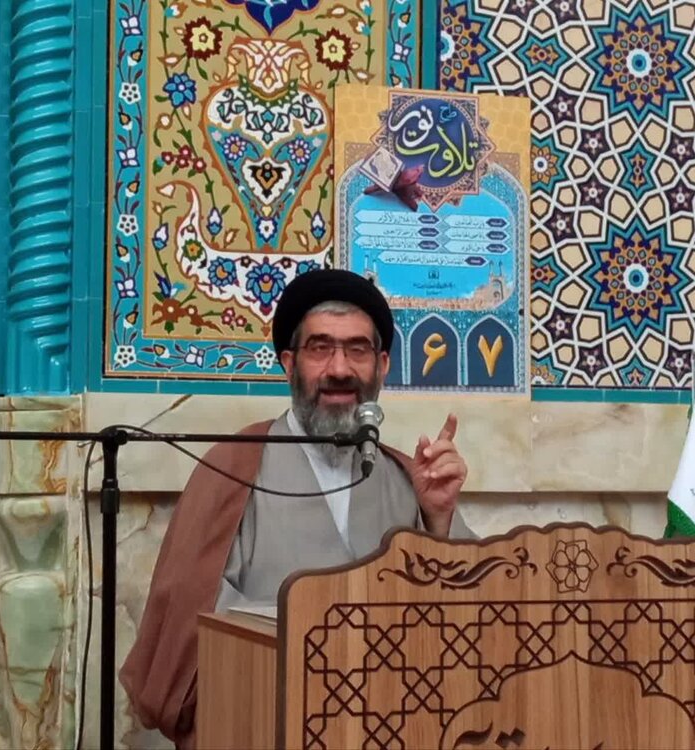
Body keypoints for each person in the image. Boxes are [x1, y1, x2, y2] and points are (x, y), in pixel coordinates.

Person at [119, 269, 474, 748]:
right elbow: (190, 634)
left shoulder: (405, 476)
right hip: (264, 722)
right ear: (289, 364)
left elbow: (465, 615)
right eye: (320, 348)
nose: (340, 369)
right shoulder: (232, 468)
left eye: (358, 350)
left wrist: (439, 517)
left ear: (382, 365)